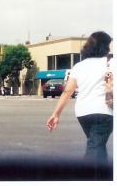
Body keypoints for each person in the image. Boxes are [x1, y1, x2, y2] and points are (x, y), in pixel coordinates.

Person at [46, 31, 113, 167]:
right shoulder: (110, 63)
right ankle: (88, 176)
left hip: (83, 113)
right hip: (104, 111)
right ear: (105, 46)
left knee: (97, 144)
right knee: (95, 148)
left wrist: (56, 114)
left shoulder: (79, 66)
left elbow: (67, 91)